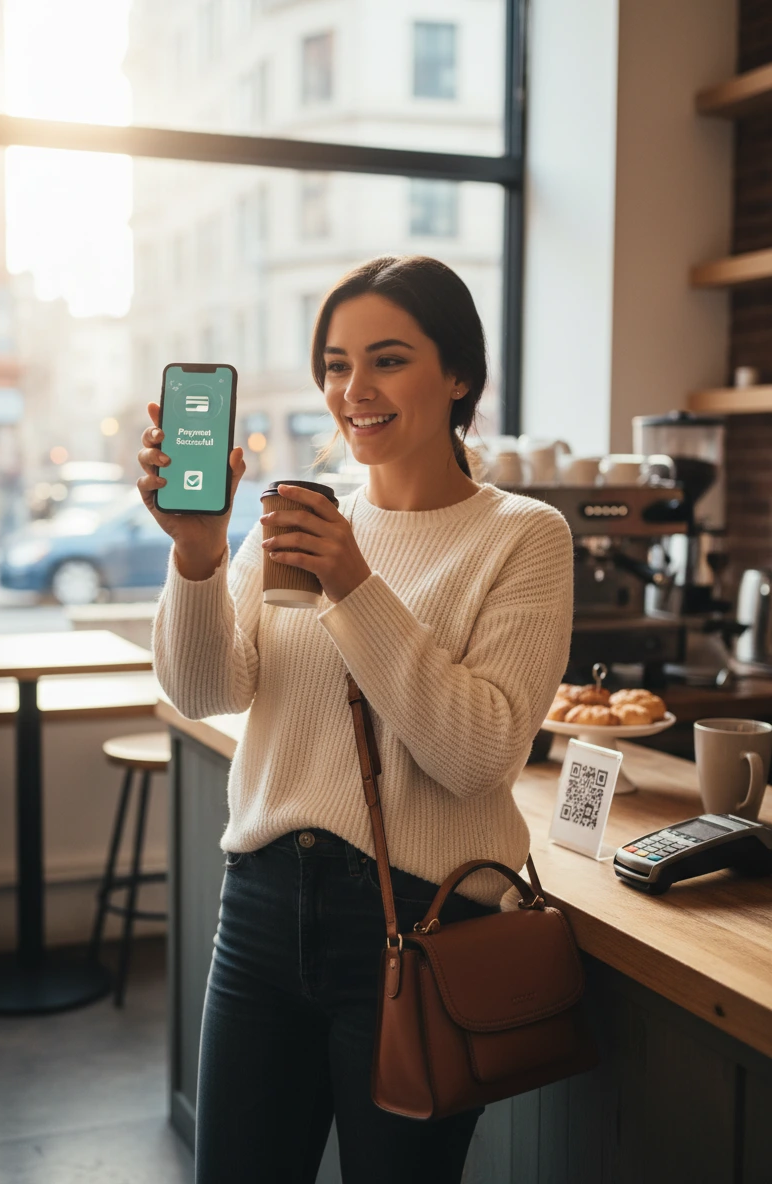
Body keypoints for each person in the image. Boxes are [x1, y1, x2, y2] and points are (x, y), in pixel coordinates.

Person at [137, 255, 574, 1183]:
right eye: (335, 364)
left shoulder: (523, 537)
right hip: (258, 909)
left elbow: (478, 752)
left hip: (420, 920)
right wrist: (200, 553)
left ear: (459, 376)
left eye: (386, 360)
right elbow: (205, 686)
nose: (353, 390)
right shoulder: (299, 519)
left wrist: (354, 584)